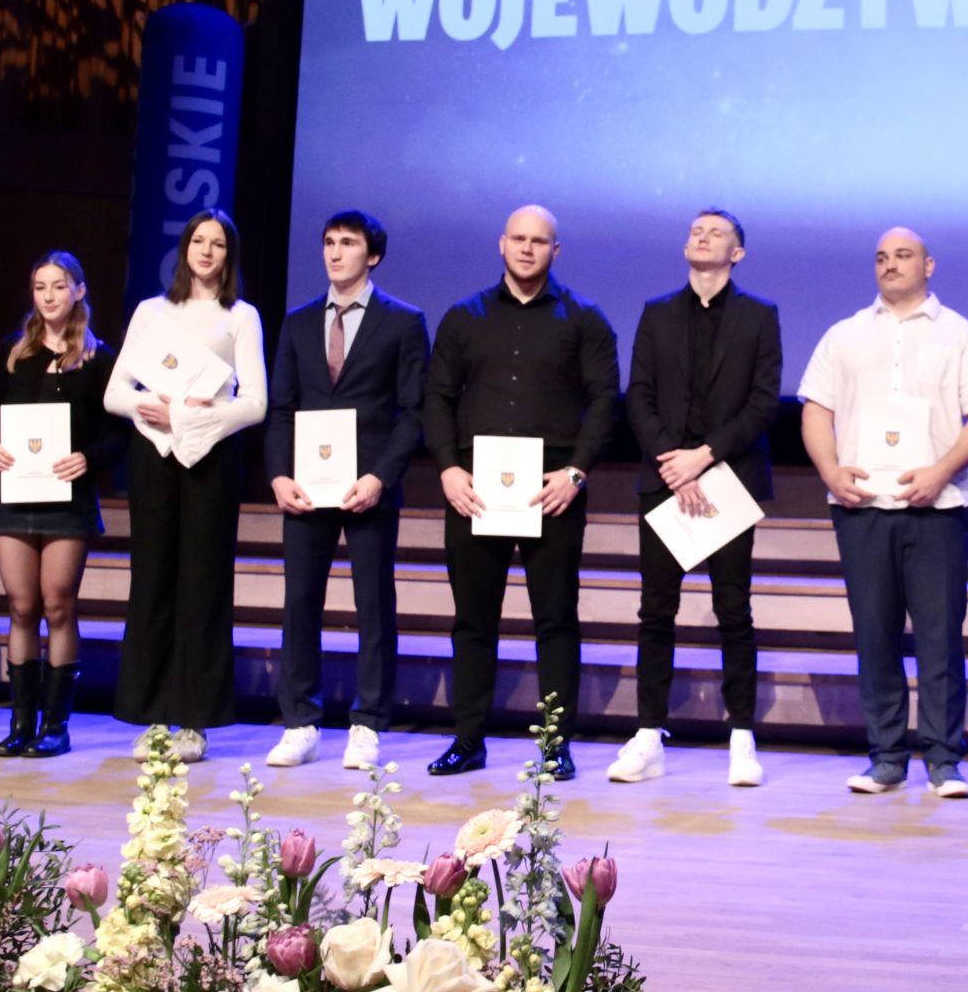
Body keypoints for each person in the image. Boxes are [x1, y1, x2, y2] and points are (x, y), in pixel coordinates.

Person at [799, 227, 968, 797]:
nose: (890, 265)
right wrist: (831, 471)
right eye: (881, 257)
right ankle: (886, 758)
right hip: (862, 507)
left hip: (940, 507)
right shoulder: (843, 335)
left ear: (928, 265)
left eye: (903, 256)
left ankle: (943, 760)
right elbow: (816, 410)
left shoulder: (961, 335)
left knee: (940, 638)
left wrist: (941, 471)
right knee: (875, 636)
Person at [422, 205, 619, 780]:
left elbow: (605, 400)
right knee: (472, 620)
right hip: (475, 488)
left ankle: (555, 745)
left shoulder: (585, 319)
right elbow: (437, 397)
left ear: (556, 250)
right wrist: (447, 469)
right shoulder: (464, 316)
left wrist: (576, 472)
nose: (527, 248)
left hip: (550, 489)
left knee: (555, 621)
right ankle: (468, 740)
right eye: (518, 238)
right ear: (501, 244)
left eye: (539, 241)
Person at [611, 208, 783, 788]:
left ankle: (741, 737)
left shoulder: (759, 315)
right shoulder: (657, 312)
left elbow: (763, 401)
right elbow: (639, 395)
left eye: (716, 233)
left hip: (729, 478)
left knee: (733, 610)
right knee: (656, 611)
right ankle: (647, 735)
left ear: (737, 253)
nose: (701, 237)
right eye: (695, 231)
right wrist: (675, 463)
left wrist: (703, 457)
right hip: (665, 479)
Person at [264, 210, 429, 772]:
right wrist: (279, 475)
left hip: (369, 486)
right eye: (329, 242)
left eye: (348, 243)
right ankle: (299, 722)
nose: (335, 253)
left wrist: (380, 477)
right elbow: (281, 407)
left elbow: (412, 411)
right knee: (300, 602)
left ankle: (368, 723)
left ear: (372, 255)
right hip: (307, 486)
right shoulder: (297, 322)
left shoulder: (403, 321)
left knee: (373, 604)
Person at [104, 208, 267, 761]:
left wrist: (194, 414)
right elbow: (114, 393)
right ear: (185, 248)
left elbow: (256, 403)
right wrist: (152, 407)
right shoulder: (152, 311)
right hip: (154, 457)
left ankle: (194, 722)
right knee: (152, 584)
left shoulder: (241, 316)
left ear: (229, 254)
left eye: (217, 243)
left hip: (211, 461)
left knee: (203, 588)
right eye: (199, 240)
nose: (206, 251)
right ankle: (152, 717)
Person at [0, 252, 118, 759]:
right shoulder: (13, 352)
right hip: (15, 493)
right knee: (21, 606)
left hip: (67, 497)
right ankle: (21, 723)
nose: (49, 296)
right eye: (40, 287)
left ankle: (56, 725)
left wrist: (88, 458)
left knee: (58, 604)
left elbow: (118, 433)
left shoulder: (99, 359)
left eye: (59, 286)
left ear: (79, 291)